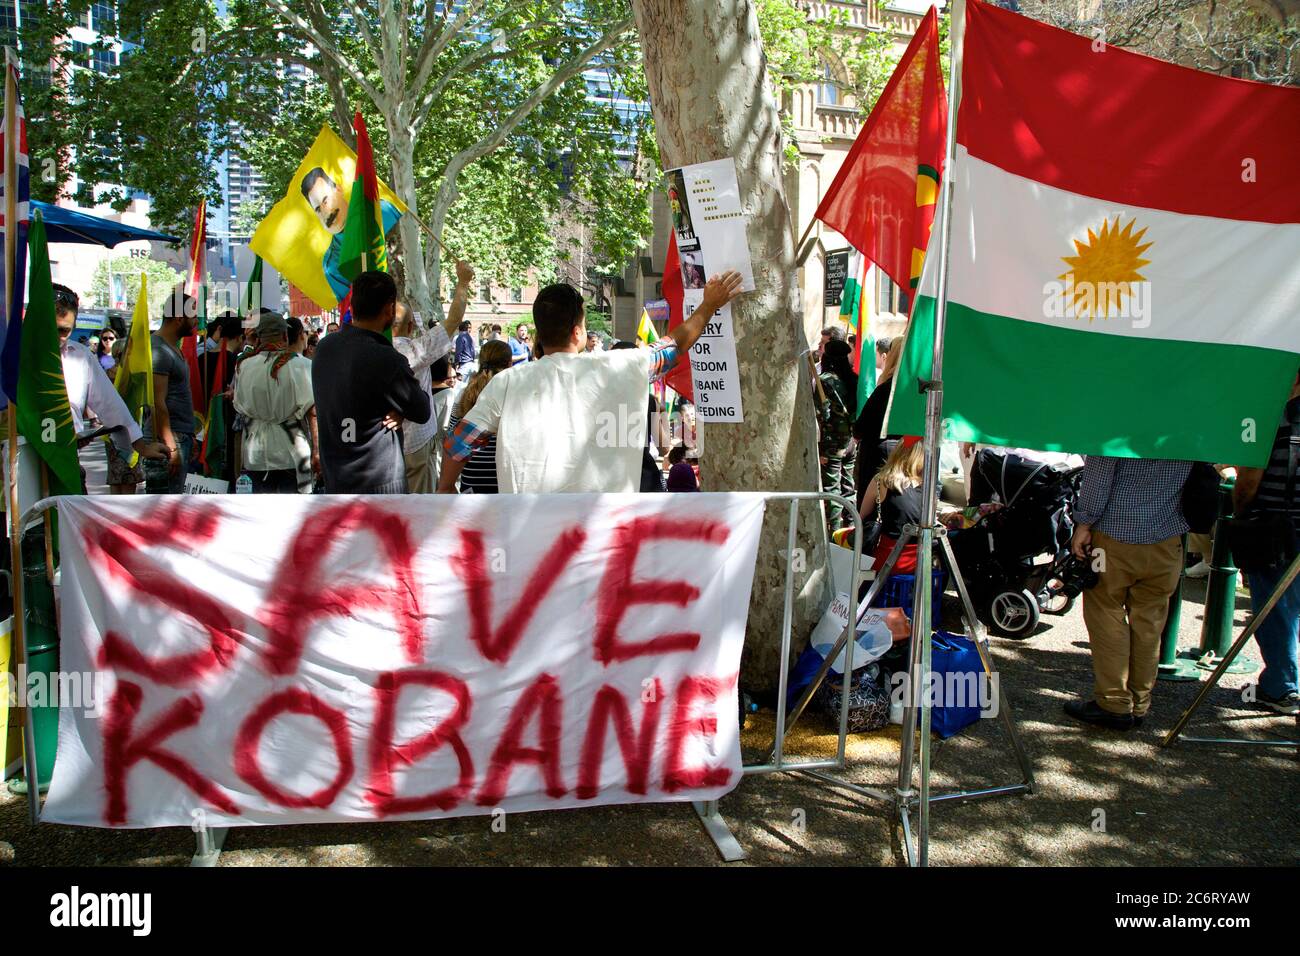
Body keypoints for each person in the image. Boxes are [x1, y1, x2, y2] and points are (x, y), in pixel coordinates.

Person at [440, 271, 743, 494]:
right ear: (577, 332)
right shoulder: (621, 366)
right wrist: (708, 306)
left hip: (531, 546)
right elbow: (674, 344)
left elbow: (458, 444)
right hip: (608, 544)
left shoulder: (506, 383)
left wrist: (443, 492)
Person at [1067, 456, 1193, 729]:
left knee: (1106, 613)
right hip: (1167, 538)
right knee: (1150, 623)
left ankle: (1114, 702)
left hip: (1115, 534)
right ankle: (1139, 701)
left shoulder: (1118, 423)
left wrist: (1084, 523)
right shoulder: (1189, 426)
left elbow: (1098, 479)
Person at [312, 271, 431, 493]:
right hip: (379, 485)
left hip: (335, 479)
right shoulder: (387, 360)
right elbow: (422, 410)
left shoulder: (324, 348)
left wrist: (399, 408)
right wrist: (400, 406)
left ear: (352, 308)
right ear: (389, 310)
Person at [51, 285, 168, 493]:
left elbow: (109, 403)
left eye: (63, 330)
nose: (55, 336)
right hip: (21, 464)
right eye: (49, 327)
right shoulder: (15, 353)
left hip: (67, 460)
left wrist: (140, 445)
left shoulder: (81, 356)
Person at [1230, 368, 1300, 715]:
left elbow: (1247, 482)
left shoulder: (1270, 418)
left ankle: (1280, 687)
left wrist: (1241, 514)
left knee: (1273, 608)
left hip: (1274, 528)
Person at [233, 311, 318, 493]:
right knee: (294, 516)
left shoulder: (243, 366)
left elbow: (240, 409)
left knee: (261, 516)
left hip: (255, 455)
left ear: (259, 337)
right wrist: (317, 451)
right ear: (285, 335)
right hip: (292, 454)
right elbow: (313, 411)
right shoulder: (302, 365)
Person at [301, 166, 401, 303]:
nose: (326, 212)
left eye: (326, 200)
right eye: (318, 209)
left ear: (339, 190)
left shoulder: (384, 211)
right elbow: (350, 304)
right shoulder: (332, 265)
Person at [145, 285, 201, 494]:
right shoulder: (159, 349)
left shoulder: (171, 347)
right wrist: (171, 445)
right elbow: (157, 402)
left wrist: (188, 436)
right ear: (179, 317)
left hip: (180, 435)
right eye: (193, 315)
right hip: (167, 440)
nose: (196, 321)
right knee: (164, 510)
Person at [447, 340, 512, 494]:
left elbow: (452, 435)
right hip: (504, 476)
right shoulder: (513, 393)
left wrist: (446, 486)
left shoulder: (464, 394)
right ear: (510, 364)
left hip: (472, 474)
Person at [858, 437, 924, 574]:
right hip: (921, 562)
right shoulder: (928, 488)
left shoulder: (882, 480)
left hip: (888, 559)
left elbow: (860, 519)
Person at [854, 337, 903, 510]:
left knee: (872, 507)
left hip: (880, 451)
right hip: (905, 452)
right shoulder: (912, 389)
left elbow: (861, 426)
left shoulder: (886, 388)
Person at [818, 338, 858, 530]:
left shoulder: (825, 382)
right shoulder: (853, 379)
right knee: (848, 487)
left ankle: (834, 532)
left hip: (832, 443)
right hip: (850, 442)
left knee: (832, 490)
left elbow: (822, 414)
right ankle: (851, 527)